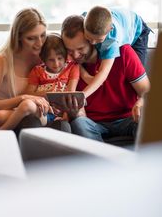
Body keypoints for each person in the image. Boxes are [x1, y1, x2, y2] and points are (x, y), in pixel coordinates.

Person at [60, 14, 150, 142]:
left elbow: (147, 92)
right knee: (79, 124)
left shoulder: (124, 53)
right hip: (94, 124)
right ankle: (101, 158)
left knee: (146, 121)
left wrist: (141, 102)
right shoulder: (70, 67)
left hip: (127, 119)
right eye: (69, 51)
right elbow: (80, 116)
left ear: (92, 41)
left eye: (80, 49)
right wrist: (75, 113)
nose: (75, 55)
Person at [0, 8, 52, 130]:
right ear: (18, 37)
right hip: (13, 116)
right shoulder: (1, 61)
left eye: (43, 35)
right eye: (31, 38)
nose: (39, 43)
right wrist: (22, 98)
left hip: (37, 114)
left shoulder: (48, 57)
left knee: (1, 117)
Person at [80, 6, 152, 99]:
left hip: (137, 30)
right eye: (88, 37)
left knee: (136, 70)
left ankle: (139, 101)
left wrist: (83, 95)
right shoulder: (82, 19)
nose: (93, 43)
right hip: (120, 17)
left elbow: (103, 73)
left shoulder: (112, 40)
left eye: (98, 39)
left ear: (110, 29)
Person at [26, 33, 80, 122]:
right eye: (51, 60)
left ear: (65, 56)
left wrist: (65, 116)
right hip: (44, 112)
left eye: (60, 58)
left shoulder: (72, 67)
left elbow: (70, 93)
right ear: (43, 59)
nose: (56, 64)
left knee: (65, 125)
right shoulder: (37, 71)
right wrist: (46, 93)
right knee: (33, 121)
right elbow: (27, 93)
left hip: (66, 112)